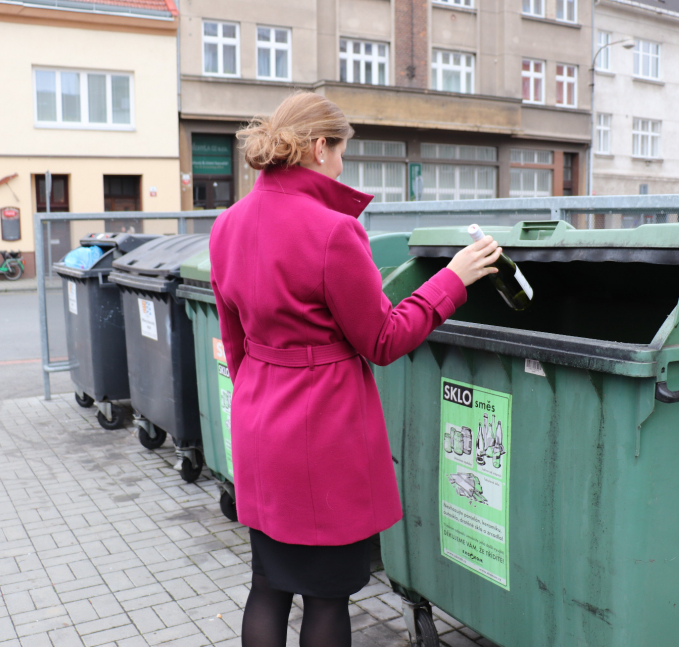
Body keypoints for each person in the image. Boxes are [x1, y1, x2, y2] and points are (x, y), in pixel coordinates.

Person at [209, 92, 502, 647]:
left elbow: (236, 341)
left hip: (258, 426)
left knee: (268, 584)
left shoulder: (228, 224)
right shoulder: (333, 231)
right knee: (326, 597)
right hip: (320, 438)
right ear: (319, 147)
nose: (344, 165)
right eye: (342, 152)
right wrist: (453, 279)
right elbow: (383, 339)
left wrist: (260, 399)